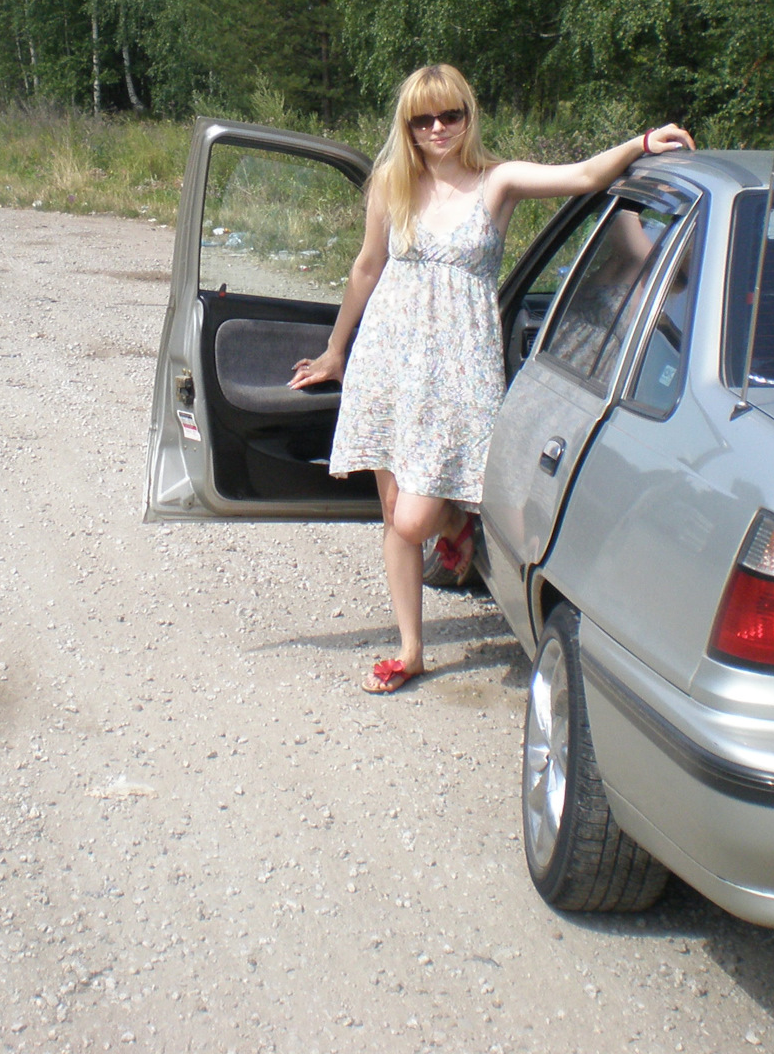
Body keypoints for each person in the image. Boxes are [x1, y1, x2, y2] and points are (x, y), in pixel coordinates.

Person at [287, 64, 694, 693]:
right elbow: (367, 267)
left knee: (415, 519)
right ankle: (412, 647)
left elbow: (584, 176)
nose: (437, 129)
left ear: (468, 117)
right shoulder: (391, 184)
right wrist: (336, 350)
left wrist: (642, 144)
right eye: (423, 119)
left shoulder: (496, 182)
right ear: (408, 126)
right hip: (388, 363)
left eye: (450, 115)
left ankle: (451, 529)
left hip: (454, 372)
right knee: (394, 510)